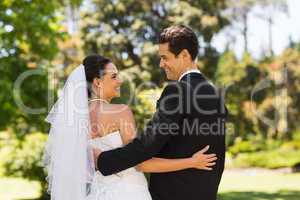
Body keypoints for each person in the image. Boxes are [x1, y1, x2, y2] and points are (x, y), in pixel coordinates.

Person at [43, 53, 217, 200]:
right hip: (129, 191)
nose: (120, 81)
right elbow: (141, 164)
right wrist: (192, 162)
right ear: (97, 82)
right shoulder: (120, 112)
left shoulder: (73, 120)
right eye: (113, 76)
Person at [93, 25, 227, 200]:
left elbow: (148, 145)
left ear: (185, 55)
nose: (161, 64)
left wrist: (103, 160)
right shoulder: (216, 95)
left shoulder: (178, 91)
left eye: (165, 58)